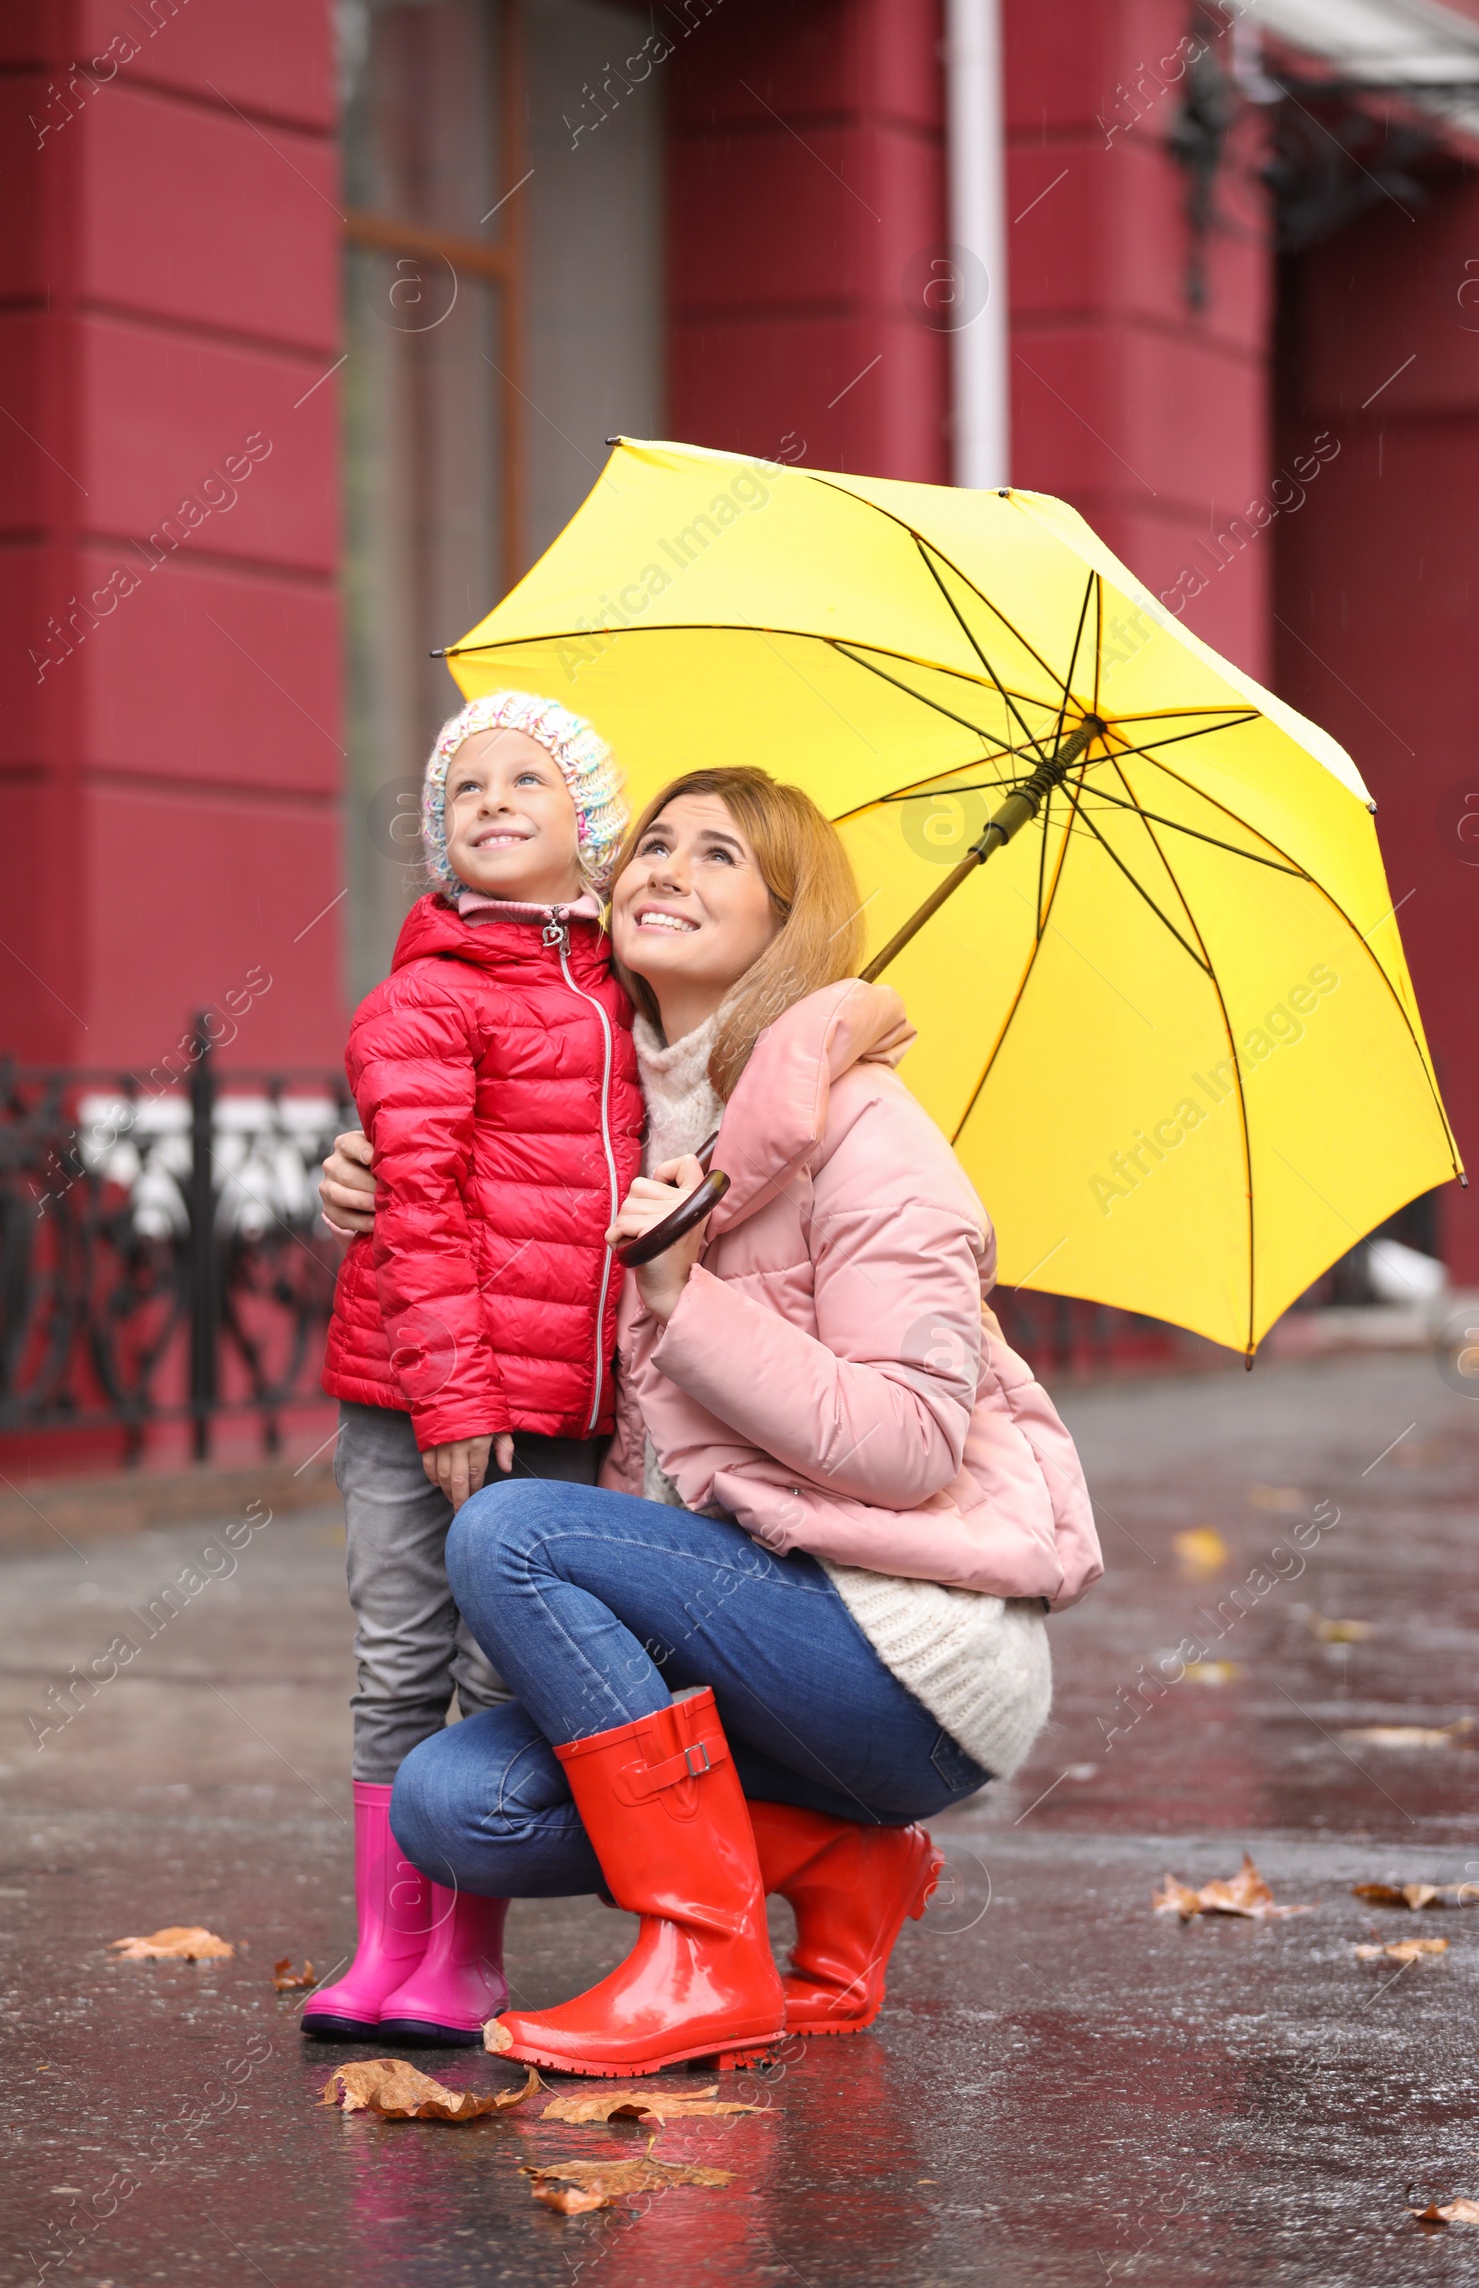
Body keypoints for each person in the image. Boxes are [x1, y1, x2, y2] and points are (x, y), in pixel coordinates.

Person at [329, 767, 1102, 2080]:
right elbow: (488, 1183)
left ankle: (706, 1958)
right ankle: (843, 1865)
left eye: (720, 858)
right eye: (654, 846)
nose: (665, 872)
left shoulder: (870, 1136)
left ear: (786, 923)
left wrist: (686, 1296)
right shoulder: (636, 1118)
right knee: (452, 1803)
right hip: (734, 1625)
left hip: (898, 1654)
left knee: (514, 1536)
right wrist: (366, 1175)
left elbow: (911, 1445)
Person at [299, 692, 644, 2046]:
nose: (493, 800)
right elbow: (421, 1206)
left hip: (567, 1400)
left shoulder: (635, 998)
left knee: (500, 1675)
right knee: (399, 1658)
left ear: (592, 832)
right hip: (413, 1395)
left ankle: (462, 1961)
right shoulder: (423, 999)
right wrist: (456, 1400)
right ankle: (386, 1947)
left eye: (530, 781)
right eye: (465, 790)